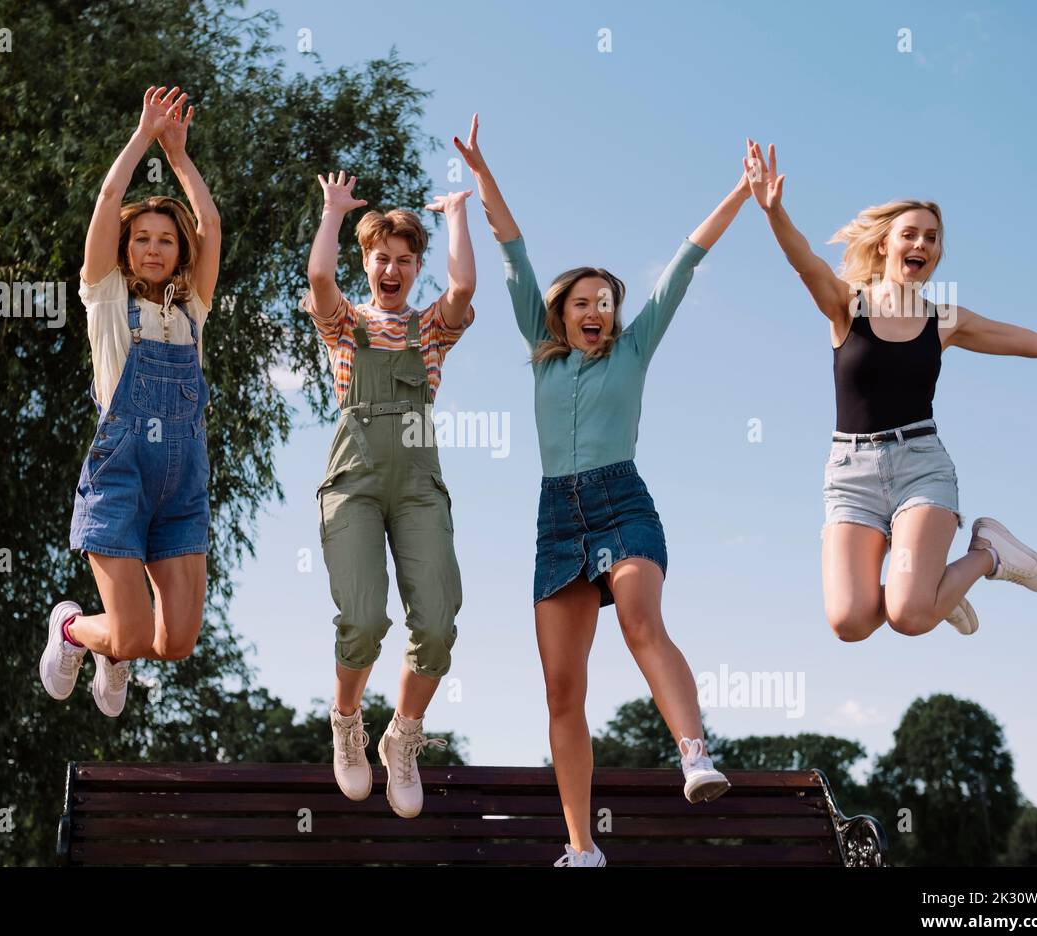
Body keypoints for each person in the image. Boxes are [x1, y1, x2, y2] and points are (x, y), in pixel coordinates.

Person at [456, 114, 746, 866]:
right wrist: (483, 173)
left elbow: (685, 261)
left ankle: (693, 753)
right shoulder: (541, 354)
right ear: (560, 314)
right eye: (582, 302)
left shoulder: (636, 346)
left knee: (641, 619)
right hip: (558, 518)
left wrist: (742, 192)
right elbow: (512, 249)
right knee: (561, 691)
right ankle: (582, 847)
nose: (596, 311)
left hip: (623, 504)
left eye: (605, 302)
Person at [743, 138, 1037, 642]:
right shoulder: (848, 306)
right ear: (885, 245)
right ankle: (933, 588)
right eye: (909, 234)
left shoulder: (945, 320)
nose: (921, 245)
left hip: (921, 468)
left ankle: (986, 555)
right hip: (851, 476)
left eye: (932, 238)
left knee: (909, 618)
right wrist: (773, 211)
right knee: (849, 623)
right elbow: (804, 261)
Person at [40, 86, 221, 716]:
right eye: (141, 238)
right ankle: (73, 631)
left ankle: (112, 652)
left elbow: (211, 225)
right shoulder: (107, 300)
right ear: (125, 249)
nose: (152, 247)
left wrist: (180, 156)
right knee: (133, 636)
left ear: (178, 254)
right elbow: (108, 201)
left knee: (176, 643)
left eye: (165, 240)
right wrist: (144, 136)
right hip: (120, 479)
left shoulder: (191, 308)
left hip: (181, 486)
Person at [303, 170, 476, 818]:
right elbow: (321, 281)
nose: (393, 268)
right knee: (365, 618)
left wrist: (457, 211)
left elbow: (462, 288)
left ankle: (403, 734)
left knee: (435, 623)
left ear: (416, 265)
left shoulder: (430, 330)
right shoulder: (346, 326)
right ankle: (347, 719)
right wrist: (331, 211)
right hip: (354, 481)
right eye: (382, 258)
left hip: (417, 487)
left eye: (405, 260)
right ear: (367, 262)